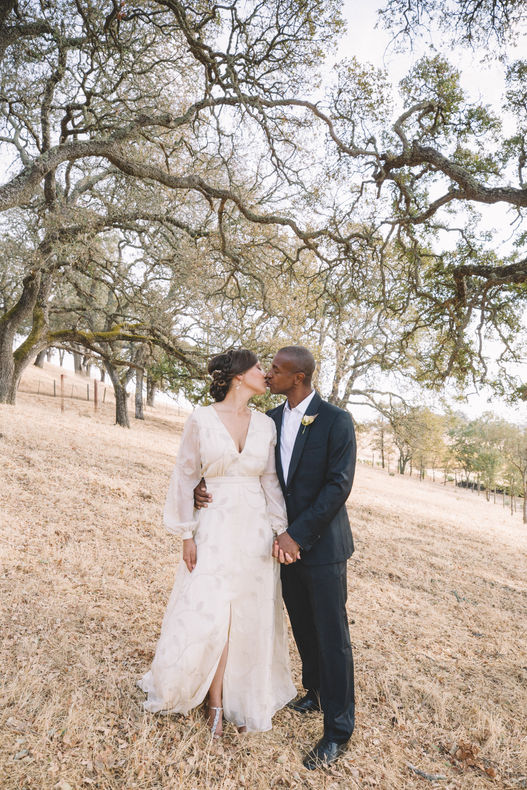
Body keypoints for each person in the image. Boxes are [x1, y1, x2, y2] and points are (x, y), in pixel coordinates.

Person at [196, 345, 356, 769]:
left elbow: (338, 486)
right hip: (279, 547)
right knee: (301, 624)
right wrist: (202, 487)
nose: (268, 375)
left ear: (298, 377)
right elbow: (254, 475)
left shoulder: (336, 420)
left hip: (321, 547)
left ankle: (338, 731)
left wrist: (296, 535)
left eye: (277, 370)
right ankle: (315, 692)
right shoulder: (269, 420)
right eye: (267, 368)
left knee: (333, 636)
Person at [138, 348, 296, 736]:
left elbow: (270, 481)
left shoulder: (266, 425)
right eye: (258, 368)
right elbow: (185, 475)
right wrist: (186, 534)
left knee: (247, 613)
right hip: (213, 525)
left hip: (254, 530)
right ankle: (214, 702)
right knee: (211, 609)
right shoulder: (201, 419)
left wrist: (279, 529)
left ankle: (239, 697)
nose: (265, 373)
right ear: (238, 376)